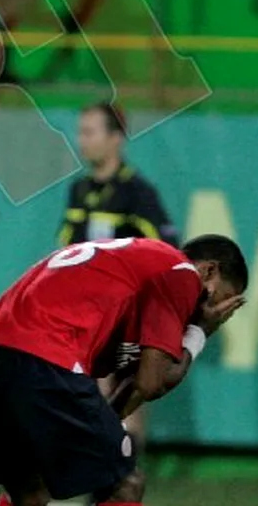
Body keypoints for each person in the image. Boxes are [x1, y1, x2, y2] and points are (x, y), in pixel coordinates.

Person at [0, 236, 248, 506]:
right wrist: (200, 332)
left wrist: (101, 428)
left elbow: (136, 385)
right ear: (209, 270)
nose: (214, 308)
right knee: (125, 484)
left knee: (29, 491)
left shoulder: (134, 274)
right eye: (223, 297)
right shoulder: (181, 272)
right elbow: (151, 384)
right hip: (40, 360)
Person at [59, 100, 178, 461]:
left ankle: (122, 479)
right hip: (89, 315)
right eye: (80, 132)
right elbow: (65, 251)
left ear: (116, 139)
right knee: (94, 396)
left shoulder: (137, 193)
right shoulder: (79, 191)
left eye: (90, 132)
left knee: (125, 397)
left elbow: (168, 249)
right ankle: (105, 478)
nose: (82, 141)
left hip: (128, 316)